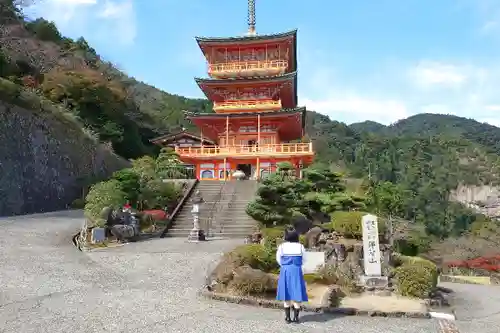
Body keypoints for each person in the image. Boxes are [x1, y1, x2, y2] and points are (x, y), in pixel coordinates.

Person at [276, 228, 308, 323]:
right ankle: (296, 318)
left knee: (286, 294)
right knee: (297, 292)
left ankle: (287, 318)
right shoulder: (300, 246)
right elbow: (305, 259)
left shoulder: (282, 246)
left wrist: (284, 265)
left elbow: (278, 258)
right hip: (297, 270)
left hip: (285, 270)